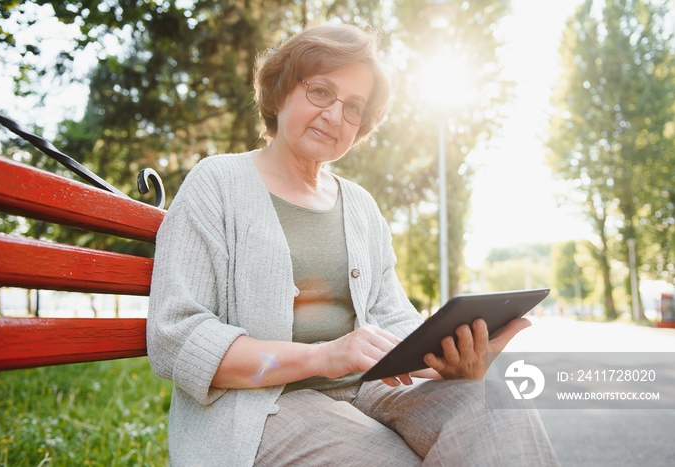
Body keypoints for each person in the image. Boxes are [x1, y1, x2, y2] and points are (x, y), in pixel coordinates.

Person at [147, 23, 558, 466]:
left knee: (498, 410)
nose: (334, 115)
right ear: (282, 88)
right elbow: (176, 337)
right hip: (260, 404)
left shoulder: (360, 206)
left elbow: (392, 317)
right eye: (320, 91)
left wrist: (450, 358)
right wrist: (321, 357)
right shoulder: (217, 183)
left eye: (353, 106)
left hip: (370, 390)